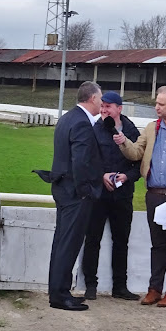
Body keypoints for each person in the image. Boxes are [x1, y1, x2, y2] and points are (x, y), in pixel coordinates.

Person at [114, 85, 166, 307]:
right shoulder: (152, 128)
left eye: (161, 104)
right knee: (157, 245)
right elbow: (136, 153)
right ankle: (155, 289)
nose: (157, 107)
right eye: (156, 103)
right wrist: (123, 142)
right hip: (154, 195)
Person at [46, 81, 105, 311]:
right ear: (92, 98)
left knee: (62, 242)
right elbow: (80, 162)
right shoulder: (82, 123)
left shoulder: (67, 118)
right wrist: (86, 191)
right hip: (75, 193)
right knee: (68, 244)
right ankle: (60, 295)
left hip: (63, 189)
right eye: (100, 98)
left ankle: (59, 291)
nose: (101, 103)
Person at [82, 91, 141, 301]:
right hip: (98, 195)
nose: (104, 110)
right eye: (102, 106)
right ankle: (90, 285)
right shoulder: (94, 129)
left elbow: (140, 163)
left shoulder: (132, 131)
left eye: (108, 106)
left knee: (121, 241)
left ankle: (120, 287)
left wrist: (127, 177)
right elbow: (87, 161)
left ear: (119, 108)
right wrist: (102, 176)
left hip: (123, 195)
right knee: (92, 239)